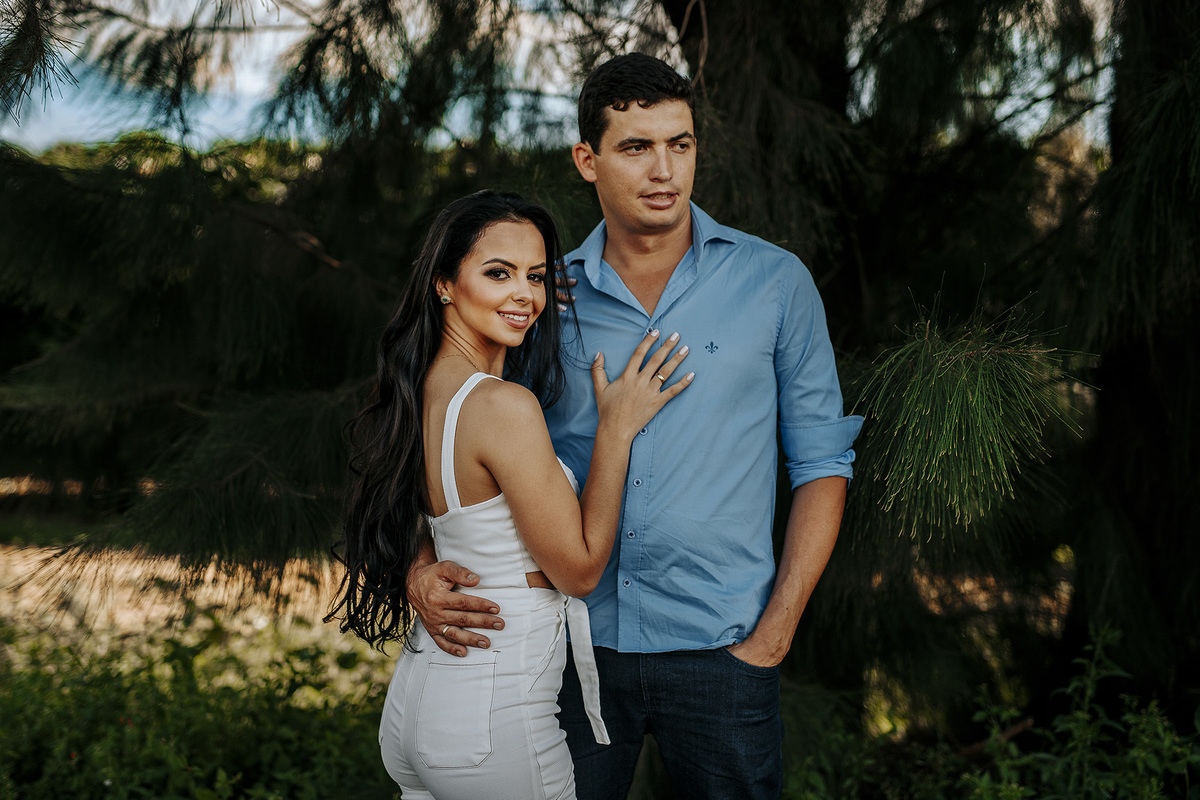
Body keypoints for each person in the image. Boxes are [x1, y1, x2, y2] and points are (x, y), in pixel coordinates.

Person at [409, 54, 864, 799]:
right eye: (636, 147)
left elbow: (821, 464)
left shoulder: (775, 283)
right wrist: (420, 564)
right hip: (566, 647)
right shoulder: (540, 297)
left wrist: (776, 632)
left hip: (725, 651)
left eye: (680, 144)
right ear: (587, 160)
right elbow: (446, 432)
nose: (664, 170)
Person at [327, 190, 693, 799]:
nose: (524, 294)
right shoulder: (501, 405)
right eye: (498, 273)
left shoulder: (419, 390)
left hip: (421, 699)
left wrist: (418, 566)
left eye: (537, 277)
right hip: (491, 720)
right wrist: (616, 431)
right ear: (444, 283)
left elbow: (413, 513)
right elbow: (578, 570)